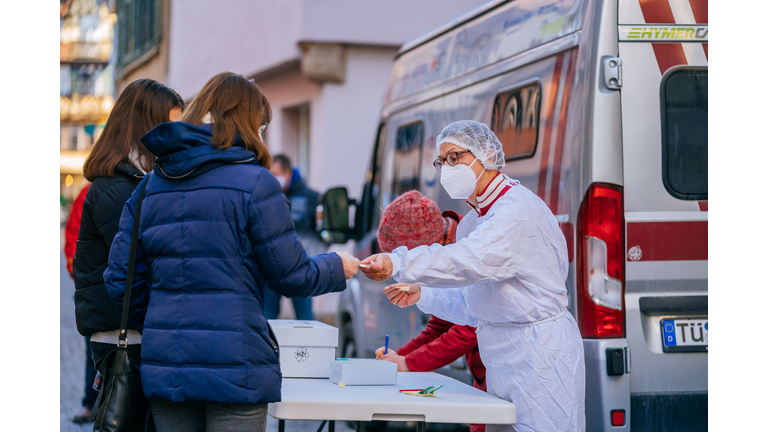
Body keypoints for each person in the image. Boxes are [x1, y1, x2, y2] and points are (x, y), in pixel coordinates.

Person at [103, 72, 360, 432]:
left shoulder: (149, 186)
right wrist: (338, 265)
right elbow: (292, 275)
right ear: (250, 123)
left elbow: (120, 281)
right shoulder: (256, 183)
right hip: (236, 367)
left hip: (167, 364)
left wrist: (165, 319)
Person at [360, 120, 586, 432]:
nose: (447, 168)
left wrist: (398, 261)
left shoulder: (514, 211)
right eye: (443, 161)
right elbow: (479, 303)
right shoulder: (474, 221)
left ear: (488, 154)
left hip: (540, 360)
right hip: (503, 358)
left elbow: (466, 260)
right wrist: (424, 294)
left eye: (455, 157)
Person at [73, 78, 184, 428]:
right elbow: (144, 261)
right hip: (124, 336)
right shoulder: (117, 188)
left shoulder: (137, 181)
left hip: (132, 333)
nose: (178, 137)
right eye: (171, 126)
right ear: (147, 127)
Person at [372, 190, 487, 432]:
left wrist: (408, 363)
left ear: (422, 251)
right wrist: (397, 359)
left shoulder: (467, 252)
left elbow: (468, 330)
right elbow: (440, 325)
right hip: (483, 374)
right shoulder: (442, 247)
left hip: (502, 371)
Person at [265, 154, 326, 320]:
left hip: (300, 269)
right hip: (271, 267)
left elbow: (322, 233)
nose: (273, 178)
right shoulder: (266, 197)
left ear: (288, 173)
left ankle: (307, 346)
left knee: (305, 319)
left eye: (276, 173)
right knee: (267, 319)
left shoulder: (311, 197)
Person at [64, 183, 99, 423]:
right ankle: (90, 403)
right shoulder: (88, 192)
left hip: (97, 287)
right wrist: (79, 276)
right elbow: (72, 237)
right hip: (95, 287)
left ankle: (96, 405)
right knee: (93, 349)